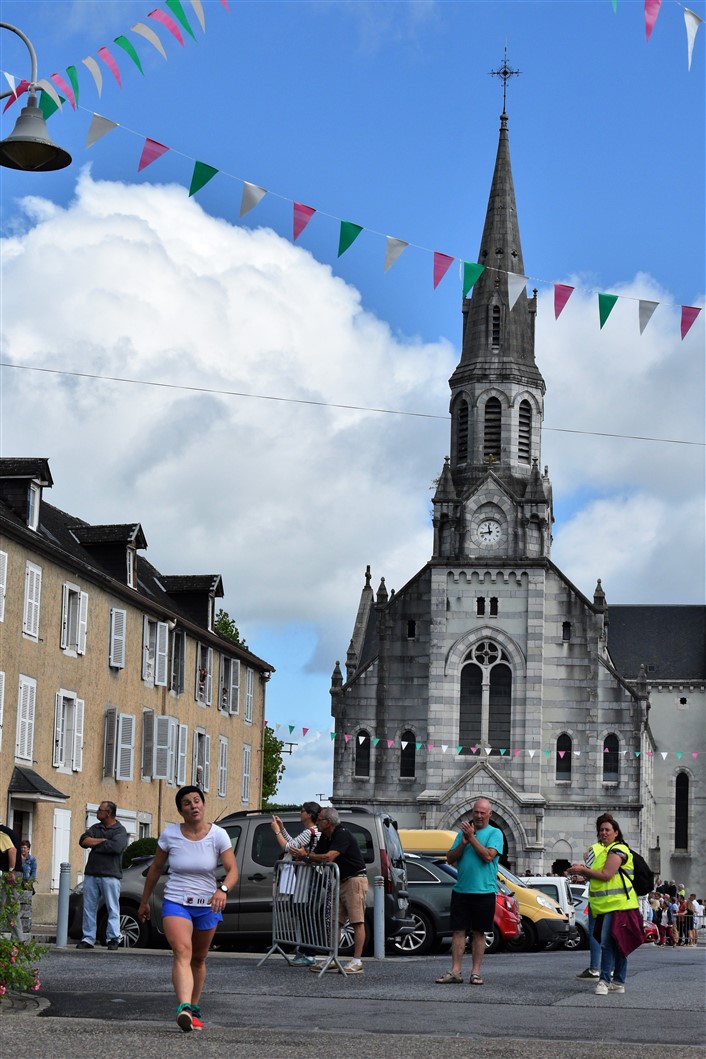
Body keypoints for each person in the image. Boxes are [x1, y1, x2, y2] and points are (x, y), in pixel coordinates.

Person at [138, 786, 237, 1032]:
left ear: (203, 804)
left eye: (196, 801)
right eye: (187, 803)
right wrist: (144, 901)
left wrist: (222, 890)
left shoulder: (219, 835)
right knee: (182, 951)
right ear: (180, 810)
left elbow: (233, 870)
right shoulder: (170, 835)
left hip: (208, 905)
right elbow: (155, 869)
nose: (193, 806)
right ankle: (183, 1008)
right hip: (176, 901)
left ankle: (193, 1008)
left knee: (199, 958)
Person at [569, 813, 641, 996]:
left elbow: (607, 875)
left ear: (616, 832)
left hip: (618, 904)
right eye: (601, 830)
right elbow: (597, 876)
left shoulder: (618, 850)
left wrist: (583, 870)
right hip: (605, 905)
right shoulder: (603, 852)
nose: (603, 833)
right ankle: (618, 981)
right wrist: (583, 872)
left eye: (607, 830)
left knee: (608, 943)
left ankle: (604, 981)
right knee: (616, 943)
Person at [435, 798, 503, 987]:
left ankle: (476, 972)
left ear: (490, 814)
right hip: (461, 890)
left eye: (482, 813)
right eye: (476, 812)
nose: (478, 816)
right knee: (458, 931)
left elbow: (488, 856)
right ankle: (455, 971)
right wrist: (464, 842)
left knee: (479, 932)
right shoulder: (462, 834)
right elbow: (450, 858)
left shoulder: (495, 833)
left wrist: (471, 838)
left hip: (484, 891)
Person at [292, 805, 367, 975]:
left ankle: (357, 961)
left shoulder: (342, 833)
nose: (316, 822)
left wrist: (307, 855)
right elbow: (316, 857)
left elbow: (329, 857)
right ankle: (332, 957)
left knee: (357, 921)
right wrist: (303, 855)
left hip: (354, 880)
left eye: (319, 820)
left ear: (328, 822)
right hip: (339, 880)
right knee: (334, 921)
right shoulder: (326, 836)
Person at [271, 802, 321, 966]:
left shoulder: (310, 832)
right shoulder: (312, 832)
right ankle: (305, 950)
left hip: (308, 877)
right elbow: (294, 843)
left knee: (306, 914)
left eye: (302, 811)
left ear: (309, 814)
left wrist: (277, 831)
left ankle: (309, 953)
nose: (300, 813)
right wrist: (283, 829)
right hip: (307, 876)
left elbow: (288, 847)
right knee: (304, 914)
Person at [77, 800, 129, 951]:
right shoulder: (96, 827)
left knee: (112, 907)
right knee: (89, 907)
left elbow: (116, 847)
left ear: (109, 813)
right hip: (92, 873)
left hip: (110, 875)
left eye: (100, 810)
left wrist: (95, 845)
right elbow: (83, 841)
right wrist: (103, 840)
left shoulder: (120, 830)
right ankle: (88, 938)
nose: (97, 812)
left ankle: (113, 938)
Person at [573, 817, 608, 981]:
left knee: (595, 933)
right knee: (610, 934)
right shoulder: (618, 849)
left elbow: (589, 874)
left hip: (597, 896)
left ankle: (595, 968)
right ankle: (610, 969)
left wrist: (583, 866)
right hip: (614, 898)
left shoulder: (594, 849)